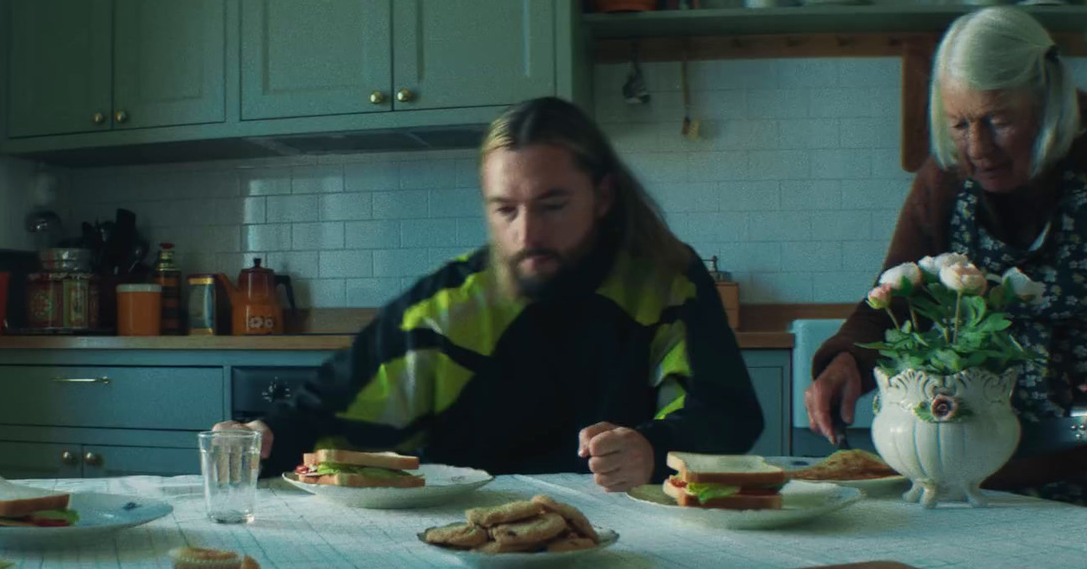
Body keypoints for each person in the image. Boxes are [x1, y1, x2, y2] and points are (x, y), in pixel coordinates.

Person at [804, 7, 1087, 532]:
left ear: (1048, 98)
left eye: (998, 121)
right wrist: (847, 362)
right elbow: (895, 294)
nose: (976, 149)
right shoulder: (944, 180)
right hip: (979, 448)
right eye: (959, 123)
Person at [214, 97, 764, 492]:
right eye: (506, 210)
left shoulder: (666, 279)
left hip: (633, 535)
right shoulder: (455, 298)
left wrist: (650, 449)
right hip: (466, 535)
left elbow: (725, 414)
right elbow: (335, 404)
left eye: (552, 205)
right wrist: (266, 435)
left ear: (602, 196)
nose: (527, 236)